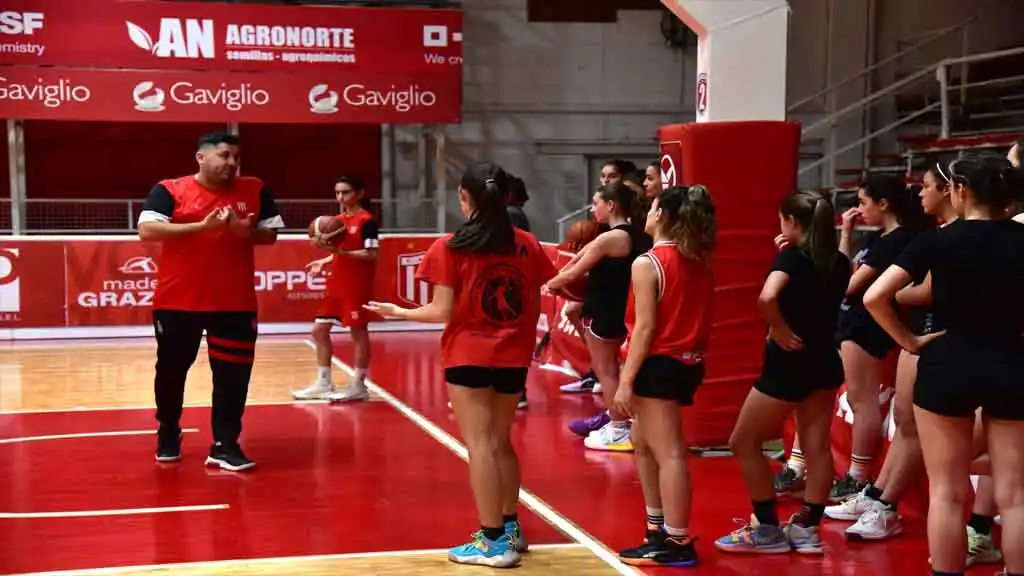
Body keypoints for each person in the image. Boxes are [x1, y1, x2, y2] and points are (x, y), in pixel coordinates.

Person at [365, 161, 557, 568]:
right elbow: (533, 305)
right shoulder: (527, 244)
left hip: (469, 353)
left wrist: (397, 313)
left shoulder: (451, 246)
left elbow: (441, 312)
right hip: (512, 355)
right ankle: (510, 527)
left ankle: (492, 542)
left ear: (464, 198)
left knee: (481, 445)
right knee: (501, 441)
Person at [863, 154, 1024, 576]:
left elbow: (874, 296)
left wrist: (910, 341)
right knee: (1015, 496)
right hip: (1011, 361)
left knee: (946, 494)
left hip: (949, 362)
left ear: (962, 192)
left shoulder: (938, 240)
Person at [137, 132, 284, 472]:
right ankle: (168, 431)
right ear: (201, 158)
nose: (231, 163)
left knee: (233, 375)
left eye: (236, 157)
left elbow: (271, 235)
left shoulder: (255, 189)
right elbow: (148, 231)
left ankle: (225, 444)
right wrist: (202, 227)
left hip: (235, 303)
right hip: (178, 301)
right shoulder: (170, 190)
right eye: (224, 155)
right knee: (172, 372)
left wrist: (244, 233)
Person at [715, 191, 849, 554]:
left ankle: (767, 529)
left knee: (743, 441)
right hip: (825, 361)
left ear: (791, 222)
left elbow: (766, 297)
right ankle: (807, 528)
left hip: (789, 364)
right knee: (816, 445)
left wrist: (778, 327)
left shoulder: (791, 259)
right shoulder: (838, 261)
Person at [613, 185, 716, 567]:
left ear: (662, 216)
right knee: (642, 441)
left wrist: (625, 380)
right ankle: (656, 529)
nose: (648, 211)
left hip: (658, 362)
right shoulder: (700, 259)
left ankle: (677, 540)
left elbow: (644, 328)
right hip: (686, 362)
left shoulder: (649, 262)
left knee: (670, 452)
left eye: (653, 206)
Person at [545, 181, 649, 451]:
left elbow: (573, 272)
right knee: (615, 370)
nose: (593, 208)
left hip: (604, 310)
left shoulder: (611, 237)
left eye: (597, 202)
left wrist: (550, 284)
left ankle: (618, 428)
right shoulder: (638, 235)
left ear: (611, 205)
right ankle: (621, 421)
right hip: (624, 310)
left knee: (607, 372)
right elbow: (579, 257)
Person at [292, 176, 379, 403]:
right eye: (338, 192)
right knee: (319, 331)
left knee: (358, 334)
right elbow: (343, 251)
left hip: (356, 287)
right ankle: (324, 381)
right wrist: (326, 260)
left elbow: (371, 255)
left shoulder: (367, 221)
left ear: (359, 194)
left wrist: (342, 255)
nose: (341, 197)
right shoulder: (337, 221)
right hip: (336, 285)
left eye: (346, 192)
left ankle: (359, 385)